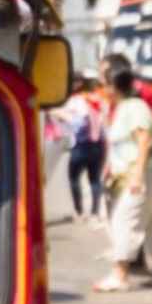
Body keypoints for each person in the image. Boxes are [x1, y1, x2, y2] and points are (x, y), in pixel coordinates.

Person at [95, 69, 152, 292]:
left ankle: (119, 275)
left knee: (125, 220)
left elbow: (144, 140)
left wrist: (137, 175)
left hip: (139, 172)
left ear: (114, 86)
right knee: (149, 222)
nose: (102, 89)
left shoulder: (135, 107)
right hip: (129, 173)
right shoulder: (121, 108)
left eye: (104, 83)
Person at [56, 73, 108, 226]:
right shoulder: (100, 101)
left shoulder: (75, 100)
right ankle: (94, 213)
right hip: (98, 145)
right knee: (95, 179)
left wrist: (59, 114)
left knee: (73, 178)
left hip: (81, 146)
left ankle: (79, 211)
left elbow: (76, 123)